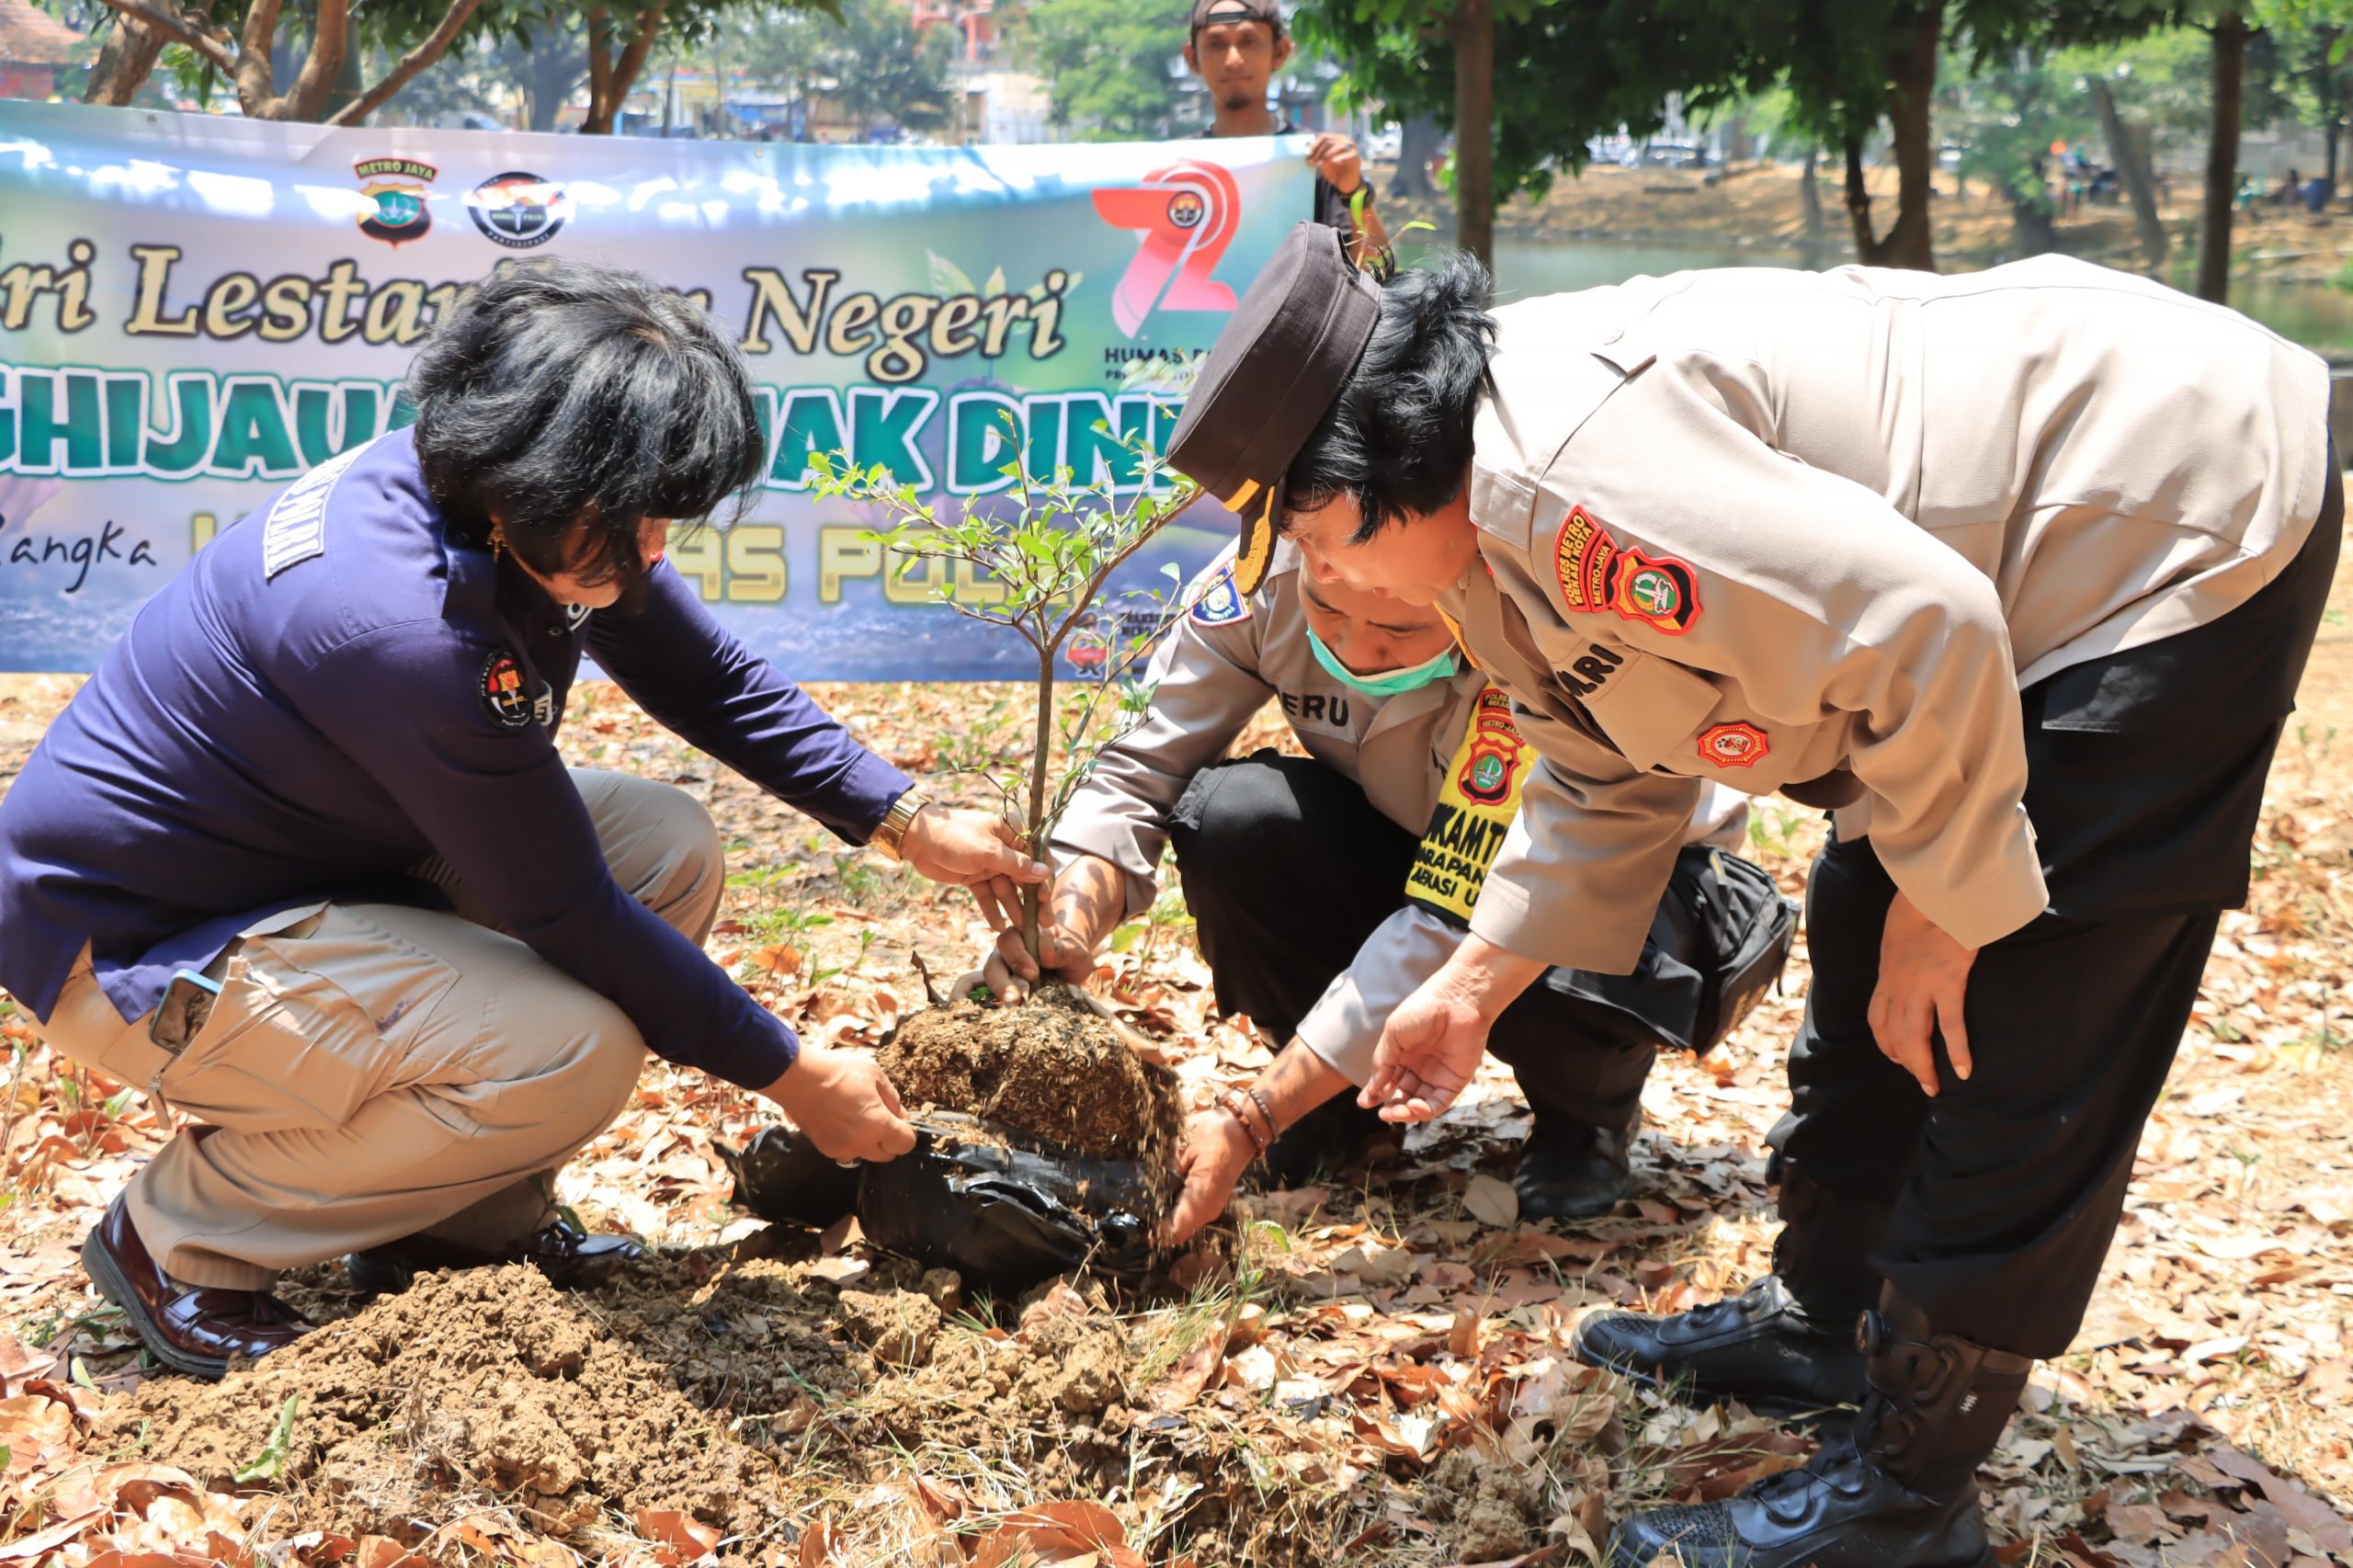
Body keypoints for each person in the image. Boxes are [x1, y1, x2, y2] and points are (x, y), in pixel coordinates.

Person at [1165, 222, 2338, 1567]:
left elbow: (1922, 624)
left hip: (2163, 509)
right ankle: (1822, 1319)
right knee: (1864, 915)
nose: (1323, 583)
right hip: (1998, 575)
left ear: (1386, 474)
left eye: (1315, 537)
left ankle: (1909, 1491)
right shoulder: (1479, 526)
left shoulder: (1570, 480)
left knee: (2022, 988)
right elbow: (1605, 757)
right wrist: (1474, 985)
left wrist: (1950, 895)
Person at [0, 258, 1042, 1381]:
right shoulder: (401, 624)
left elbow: (703, 675)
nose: (657, 551)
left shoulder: (499, 498)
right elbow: (568, 910)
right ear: (552, 478)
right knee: (576, 1052)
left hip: (317, 862)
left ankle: (455, 1222)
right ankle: (181, 1233)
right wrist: (793, 1073)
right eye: (642, 519)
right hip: (145, 951)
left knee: (666, 845)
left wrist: (901, 812)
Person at [982, 540, 1790, 1238]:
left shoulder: (1522, 628)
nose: (1358, 650)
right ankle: (1338, 1118)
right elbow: (1142, 762)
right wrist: (1074, 917)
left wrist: (1250, 1116)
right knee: (1237, 820)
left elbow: (1454, 912)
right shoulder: (1265, 572)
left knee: (1558, 938)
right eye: (1327, 615)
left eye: (1400, 626)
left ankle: (1586, 1120)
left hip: (1634, 880)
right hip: (1412, 842)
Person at [1185, 0, 1390, 262]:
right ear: (1192, 57)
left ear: (1280, 52)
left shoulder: (1315, 161)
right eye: (1216, 44)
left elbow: (1378, 273)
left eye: (1249, 41)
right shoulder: (1175, 170)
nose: (1233, 59)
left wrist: (1353, 190)